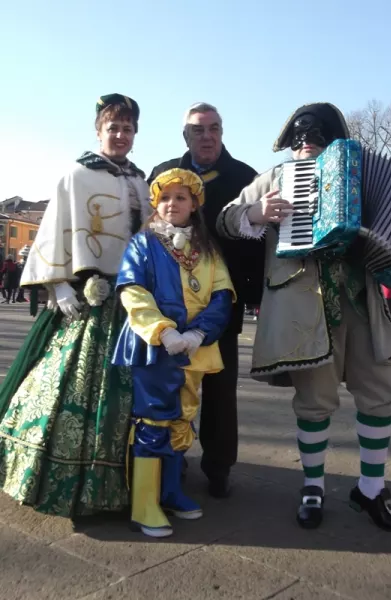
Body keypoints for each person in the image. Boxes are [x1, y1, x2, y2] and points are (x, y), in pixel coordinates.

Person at [218, 102, 391, 535]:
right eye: (300, 139)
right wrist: (256, 213)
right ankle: (312, 486)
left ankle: (371, 487)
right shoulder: (275, 179)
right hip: (305, 310)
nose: (307, 146)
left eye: (317, 139)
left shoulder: (358, 178)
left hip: (362, 305)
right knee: (315, 401)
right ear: (290, 143)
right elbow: (226, 219)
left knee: (381, 390)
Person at [0, 94, 150, 517]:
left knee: (129, 394)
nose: (120, 135)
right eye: (113, 127)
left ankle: (124, 477)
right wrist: (59, 286)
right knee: (73, 384)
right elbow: (53, 231)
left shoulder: (141, 182)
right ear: (99, 130)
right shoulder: (76, 174)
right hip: (86, 299)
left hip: (130, 300)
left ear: (135, 135)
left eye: (128, 129)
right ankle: (61, 478)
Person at [148, 103, 265, 497]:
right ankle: (171, 459)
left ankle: (219, 465)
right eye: (198, 130)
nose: (207, 136)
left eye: (214, 128)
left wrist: (252, 295)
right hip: (168, 307)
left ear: (222, 131)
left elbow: (258, 244)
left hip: (221, 305)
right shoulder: (163, 174)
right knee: (168, 387)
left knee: (219, 390)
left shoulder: (247, 178)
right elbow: (146, 230)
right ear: (186, 136)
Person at [112, 168, 235, 537]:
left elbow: (222, 295)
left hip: (194, 350)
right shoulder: (143, 244)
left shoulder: (208, 250)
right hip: (154, 349)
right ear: (156, 203)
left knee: (183, 419)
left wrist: (199, 332)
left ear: (194, 203)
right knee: (154, 421)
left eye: (181, 197)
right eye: (165, 197)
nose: (171, 204)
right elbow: (132, 290)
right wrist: (163, 332)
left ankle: (171, 491)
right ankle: (144, 504)